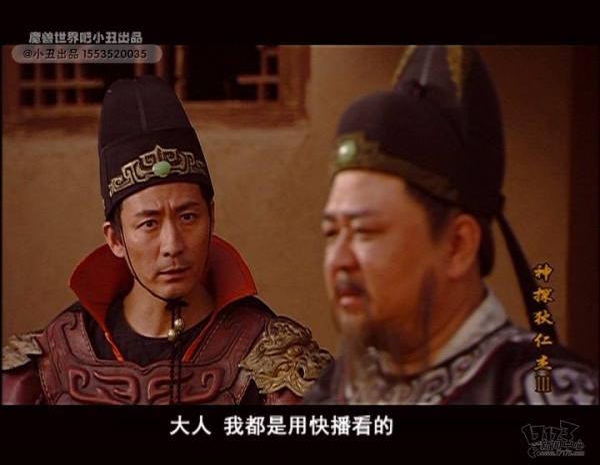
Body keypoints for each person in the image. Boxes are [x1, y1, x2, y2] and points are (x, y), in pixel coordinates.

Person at [2, 75, 332, 405]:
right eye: (149, 224)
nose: (173, 245)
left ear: (211, 217)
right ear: (115, 239)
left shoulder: (274, 362)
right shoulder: (51, 365)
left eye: (188, 217)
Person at [302, 45, 598, 405]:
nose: (339, 260)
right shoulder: (328, 396)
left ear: (459, 245)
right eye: (331, 233)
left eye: (365, 232)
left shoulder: (553, 400)